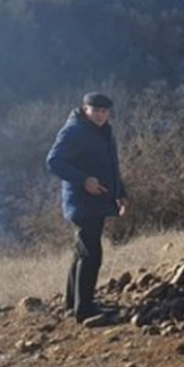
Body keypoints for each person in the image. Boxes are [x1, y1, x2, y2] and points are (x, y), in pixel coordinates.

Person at [46, 92, 128, 323]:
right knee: (91, 254)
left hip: (99, 200)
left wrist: (120, 192)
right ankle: (85, 310)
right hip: (83, 202)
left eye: (104, 111)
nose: (101, 115)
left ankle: (74, 302)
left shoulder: (103, 130)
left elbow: (112, 166)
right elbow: (53, 161)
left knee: (81, 252)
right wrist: (84, 180)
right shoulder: (74, 130)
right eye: (96, 111)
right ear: (85, 109)